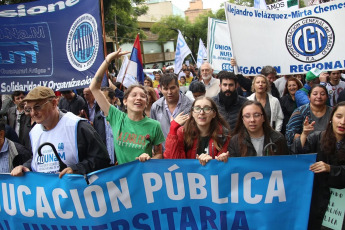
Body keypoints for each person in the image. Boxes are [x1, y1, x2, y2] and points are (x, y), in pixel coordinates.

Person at [11, 86, 110, 178]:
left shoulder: (78, 126)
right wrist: (25, 166)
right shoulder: (34, 132)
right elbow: (37, 159)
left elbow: (101, 158)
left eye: (37, 107)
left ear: (54, 103)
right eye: (28, 109)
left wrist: (76, 170)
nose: (33, 113)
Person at [90, 49, 165, 164]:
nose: (138, 98)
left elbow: (159, 154)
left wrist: (149, 158)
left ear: (146, 102)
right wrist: (108, 60)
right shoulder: (116, 117)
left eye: (143, 96)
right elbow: (94, 88)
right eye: (134, 95)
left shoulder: (154, 126)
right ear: (125, 101)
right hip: (123, 178)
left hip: (144, 177)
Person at [291, 102, 345, 230]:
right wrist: (304, 134)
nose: (342, 122)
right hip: (318, 199)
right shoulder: (318, 136)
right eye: (339, 116)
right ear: (331, 118)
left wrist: (330, 169)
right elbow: (298, 156)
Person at [164, 97, 230, 165]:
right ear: (192, 113)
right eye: (197, 108)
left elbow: (221, 166)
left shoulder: (223, 134)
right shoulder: (183, 132)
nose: (201, 112)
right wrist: (173, 129)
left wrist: (219, 159)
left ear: (214, 114)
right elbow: (172, 162)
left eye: (207, 108)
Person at [150, 73, 193, 146]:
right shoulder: (156, 107)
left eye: (172, 88)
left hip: (185, 153)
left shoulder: (190, 105)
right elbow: (153, 132)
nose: (169, 92)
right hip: (164, 153)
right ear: (160, 89)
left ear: (178, 86)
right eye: (166, 89)